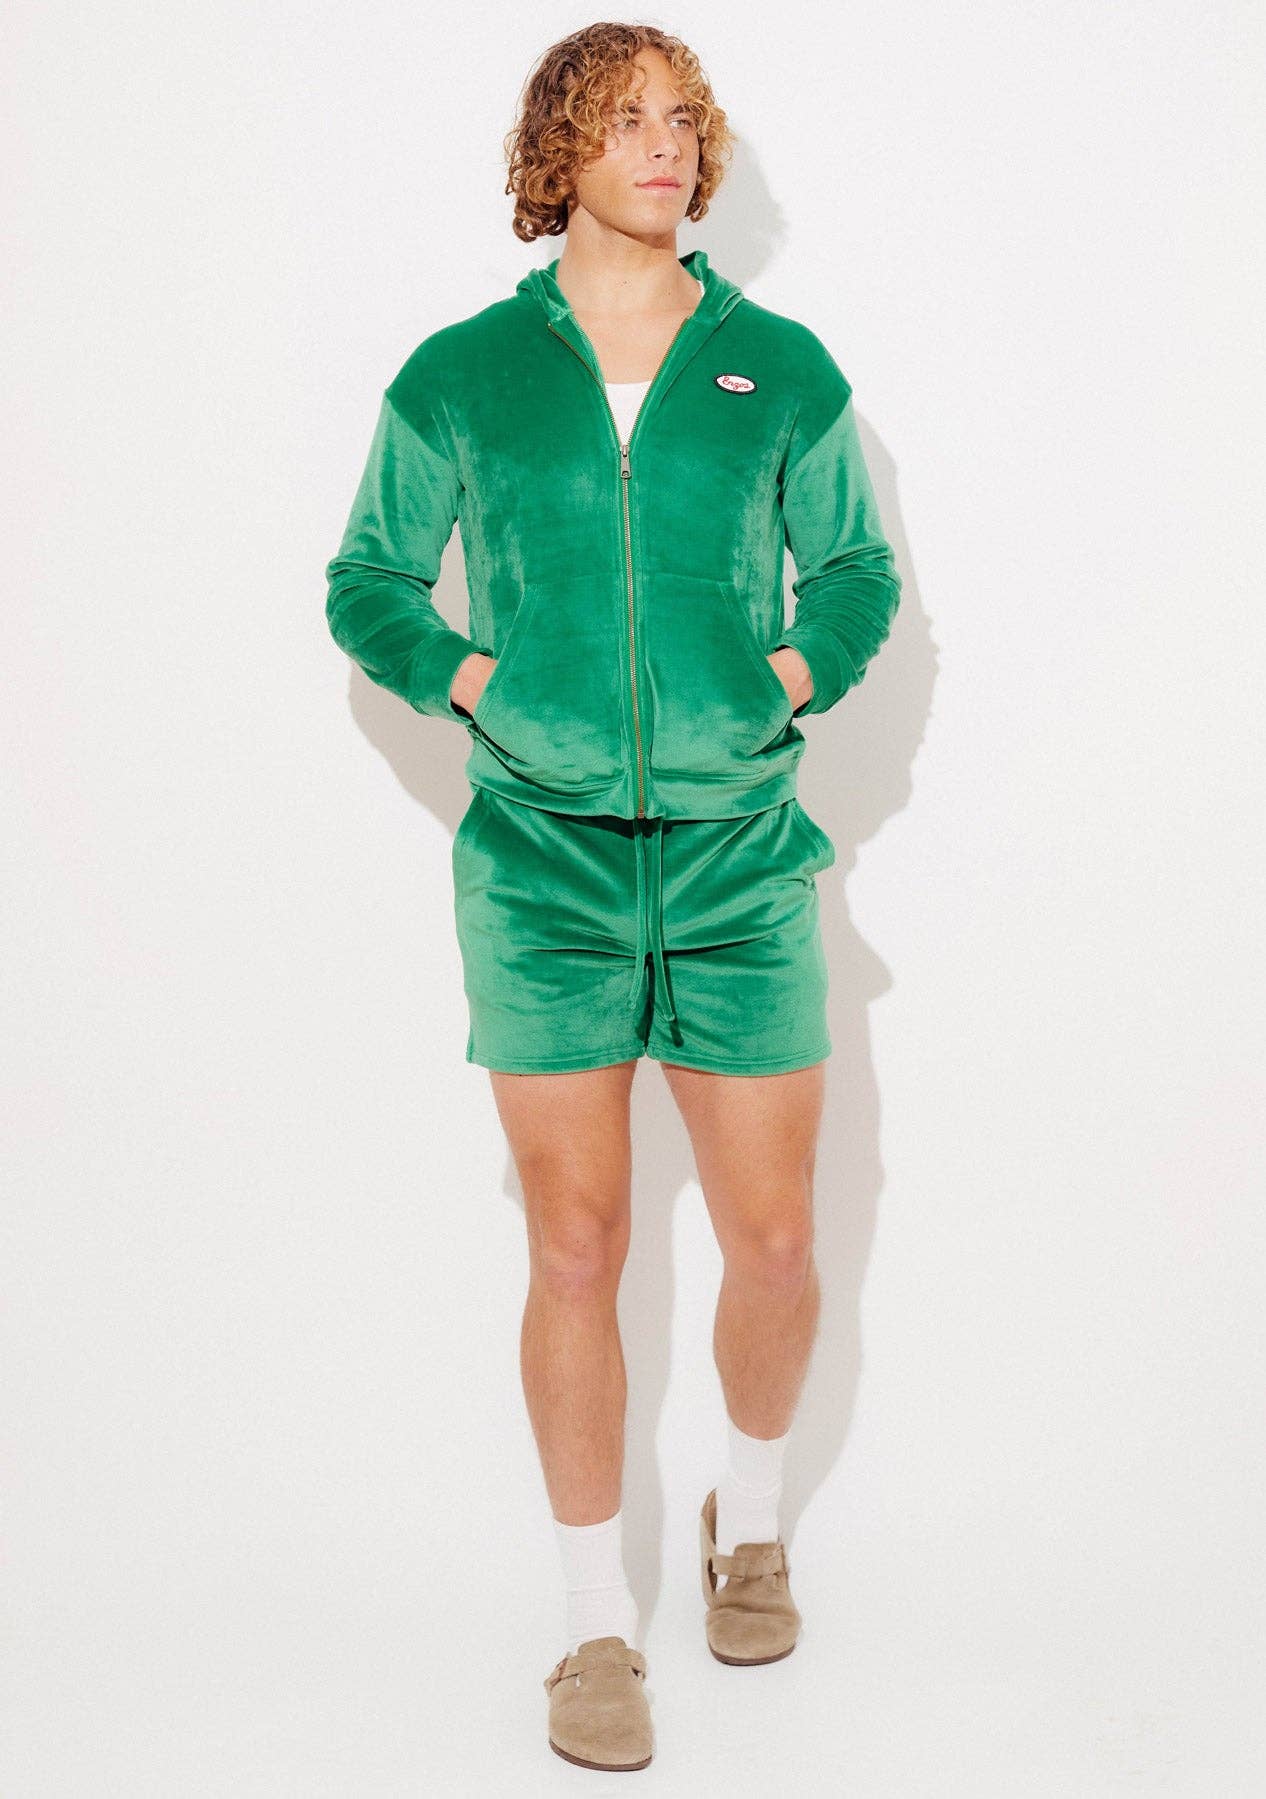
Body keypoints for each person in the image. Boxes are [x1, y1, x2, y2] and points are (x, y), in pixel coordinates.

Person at [325, 21, 901, 1773]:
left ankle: (751, 1521)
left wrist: (784, 680)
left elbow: (855, 571)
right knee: (575, 1245)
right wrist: (480, 685)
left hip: (740, 864)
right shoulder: (461, 376)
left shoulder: (777, 368)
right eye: (625, 118)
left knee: (776, 1241)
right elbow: (367, 581)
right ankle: (592, 1627)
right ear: (555, 153)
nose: (666, 146)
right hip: (541, 869)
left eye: (683, 120)